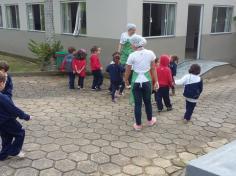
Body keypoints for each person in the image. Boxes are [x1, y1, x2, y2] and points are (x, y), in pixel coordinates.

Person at [125, 35, 158, 131]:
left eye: (131, 44)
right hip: (147, 81)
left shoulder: (132, 55)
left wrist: (126, 79)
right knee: (148, 102)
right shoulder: (150, 53)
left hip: (136, 82)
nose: (131, 46)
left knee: (138, 104)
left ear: (135, 44)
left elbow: (128, 70)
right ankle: (150, 120)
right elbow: (153, 68)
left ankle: (138, 125)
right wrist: (156, 81)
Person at [0, 71, 31, 160]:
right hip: (7, 121)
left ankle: (2, 156)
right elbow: (13, 110)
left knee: (7, 138)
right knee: (20, 132)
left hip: (1, 124)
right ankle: (14, 151)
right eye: (5, 82)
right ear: (1, 83)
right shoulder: (2, 97)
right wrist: (26, 116)